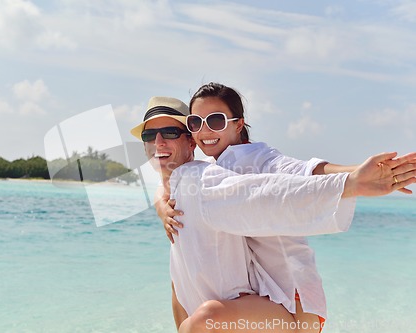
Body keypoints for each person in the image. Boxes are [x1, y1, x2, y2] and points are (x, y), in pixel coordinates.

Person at [130, 96, 416, 333]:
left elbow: (289, 183)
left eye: (169, 133)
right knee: (180, 280)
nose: (206, 130)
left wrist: (352, 180)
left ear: (238, 123)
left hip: (295, 309)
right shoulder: (200, 176)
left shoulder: (252, 161)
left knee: (203, 321)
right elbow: (170, 182)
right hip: (258, 307)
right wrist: (159, 203)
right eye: (149, 136)